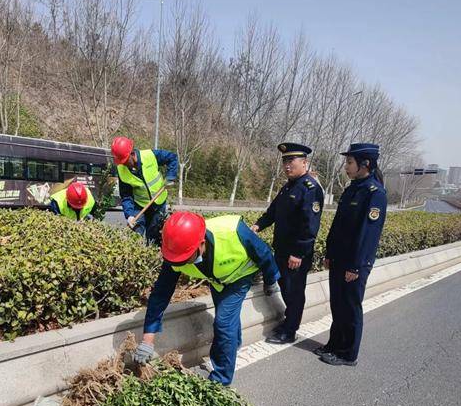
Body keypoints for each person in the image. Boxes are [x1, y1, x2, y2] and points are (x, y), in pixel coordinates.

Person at [132, 212, 281, 385]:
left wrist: (271, 281)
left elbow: (264, 254)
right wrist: (147, 340)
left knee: (224, 323)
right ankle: (233, 344)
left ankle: (220, 380)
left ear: (201, 244)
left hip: (240, 277)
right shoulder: (177, 252)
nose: (181, 265)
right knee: (227, 321)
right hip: (218, 280)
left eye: (185, 260)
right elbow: (160, 294)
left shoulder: (233, 231)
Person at [317, 143, 387, 366]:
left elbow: (368, 233)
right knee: (337, 304)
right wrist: (329, 252)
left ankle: (348, 353)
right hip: (339, 258)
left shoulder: (374, 193)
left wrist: (355, 266)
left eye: (349, 163)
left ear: (364, 164)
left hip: (354, 262)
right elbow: (338, 226)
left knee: (350, 306)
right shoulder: (352, 189)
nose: (345, 167)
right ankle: (334, 344)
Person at [252, 142, 323, 343]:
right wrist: (258, 225)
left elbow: (310, 226)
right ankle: (289, 320)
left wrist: (298, 253)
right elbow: (273, 212)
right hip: (282, 250)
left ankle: (290, 331)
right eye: (284, 161)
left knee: (294, 291)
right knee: (285, 286)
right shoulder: (289, 186)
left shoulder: (310, 188)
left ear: (304, 162)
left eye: (291, 161)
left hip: (296, 254)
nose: (287, 165)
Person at [111, 136, 178, 246]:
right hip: (139, 205)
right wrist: (129, 215)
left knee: (153, 237)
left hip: (158, 203)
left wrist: (170, 177)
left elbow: (172, 158)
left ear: (132, 154)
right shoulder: (121, 170)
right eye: (121, 162)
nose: (123, 164)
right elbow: (126, 195)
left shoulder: (150, 155)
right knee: (136, 234)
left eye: (125, 161)